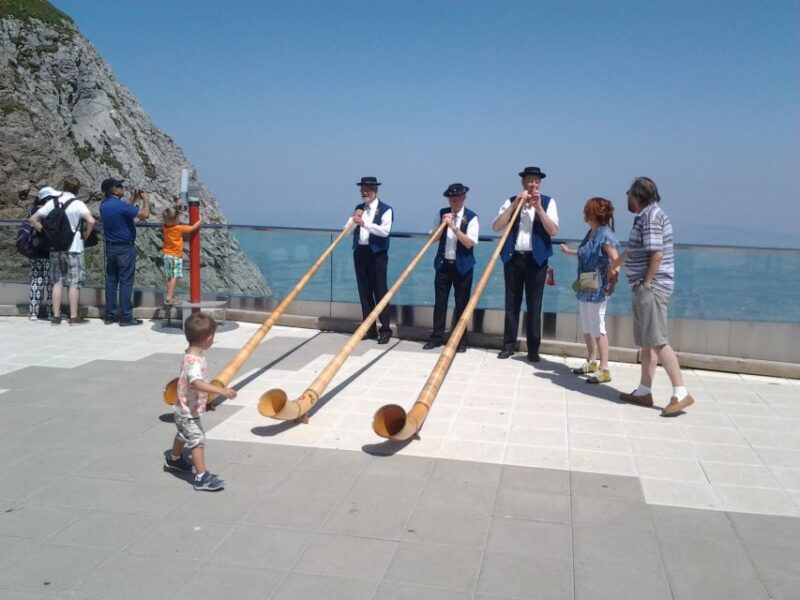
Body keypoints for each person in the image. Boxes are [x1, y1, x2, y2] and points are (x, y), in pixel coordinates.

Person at [609, 177, 694, 416]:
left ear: (638, 195)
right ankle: (644, 391)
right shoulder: (645, 217)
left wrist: (646, 284)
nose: (627, 198)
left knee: (657, 340)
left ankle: (680, 392)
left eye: (629, 194)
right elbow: (634, 250)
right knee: (648, 341)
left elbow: (657, 253)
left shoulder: (651, 218)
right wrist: (615, 264)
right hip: (646, 286)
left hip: (652, 287)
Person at [163, 312, 236, 491]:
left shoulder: (190, 354)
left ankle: (174, 459)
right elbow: (196, 382)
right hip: (188, 410)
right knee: (197, 439)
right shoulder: (195, 361)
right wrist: (221, 390)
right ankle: (201, 477)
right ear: (209, 338)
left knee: (183, 433)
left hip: (183, 406)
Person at [493, 166, 559, 361]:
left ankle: (533, 349)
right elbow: (496, 226)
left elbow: (553, 231)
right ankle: (508, 345)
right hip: (513, 258)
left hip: (536, 260)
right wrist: (514, 205)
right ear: (523, 182)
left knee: (534, 305)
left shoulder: (548, 202)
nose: (533, 184)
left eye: (536, 181)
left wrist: (539, 208)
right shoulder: (511, 201)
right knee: (511, 304)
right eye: (530, 180)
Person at [560, 197, 620, 383]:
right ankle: (592, 361)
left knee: (598, 325)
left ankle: (604, 368)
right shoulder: (591, 233)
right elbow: (584, 252)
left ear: (592, 213)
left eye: (586, 210)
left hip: (598, 287)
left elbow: (616, 261)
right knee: (587, 325)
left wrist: (612, 282)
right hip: (585, 283)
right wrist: (568, 252)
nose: (583, 213)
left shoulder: (605, 235)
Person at [29, 177, 95, 325]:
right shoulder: (78, 204)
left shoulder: (52, 203)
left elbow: (33, 219)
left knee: (57, 282)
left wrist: (45, 233)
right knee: (74, 283)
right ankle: (73, 317)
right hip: (74, 247)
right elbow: (91, 221)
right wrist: (85, 235)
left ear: (63, 187)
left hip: (55, 247)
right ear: (77, 190)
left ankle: (56, 317)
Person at [423, 183, 479, 353]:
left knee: (462, 304)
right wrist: (443, 225)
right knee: (440, 303)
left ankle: (461, 340)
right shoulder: (442, 214)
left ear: (463, 198)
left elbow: (469, 243)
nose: (453, 202)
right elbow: (432, 239)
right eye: (451, 199)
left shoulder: (472, 217)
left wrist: (454, 227)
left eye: (456, 199)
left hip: (463, 266)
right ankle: (436, 337)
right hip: (443, 265)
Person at [99, 178, 150, 326]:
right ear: (114, 190)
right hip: (125, 248)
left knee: (111, 281)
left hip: (110, 247)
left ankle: (110, 315)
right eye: (119, 186)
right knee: (126, 282)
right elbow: (144, 215)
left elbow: (124, 207)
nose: (122, 188)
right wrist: (145, 200)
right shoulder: (120, 206)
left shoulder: (104, 205)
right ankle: (126, 317)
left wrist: (134, 196)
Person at [351, 176, 393, 344]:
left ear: (375, 191)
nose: (364, 192)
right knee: (364, 292)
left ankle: (385, 330)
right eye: (362, 189)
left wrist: (364, 223)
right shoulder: (359, 208)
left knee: (380, 291)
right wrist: (354, 220)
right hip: (360, 252)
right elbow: (348, 230)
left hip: (377, 255)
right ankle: (369, 329)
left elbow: (384, 231)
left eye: (367, 189)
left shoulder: (386, 209)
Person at [26, 186, 58, 320]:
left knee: (36, 280)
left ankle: (34, 312)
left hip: (35, 250)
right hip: (49, 249)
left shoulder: (32, 210)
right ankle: (52, 312)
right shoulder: (50, 210)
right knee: (51, 282)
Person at [161, 203, 201, 304]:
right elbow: (192, 228)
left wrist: (175, 207)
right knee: (174, 276)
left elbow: (171, 215)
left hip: (166, 255)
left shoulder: (165, 227)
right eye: (178, 217)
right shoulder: (179, 228)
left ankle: (170, 295)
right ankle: (169, 297)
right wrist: (200, 220)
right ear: (175, 219)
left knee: (169, 277)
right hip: (176, 256)